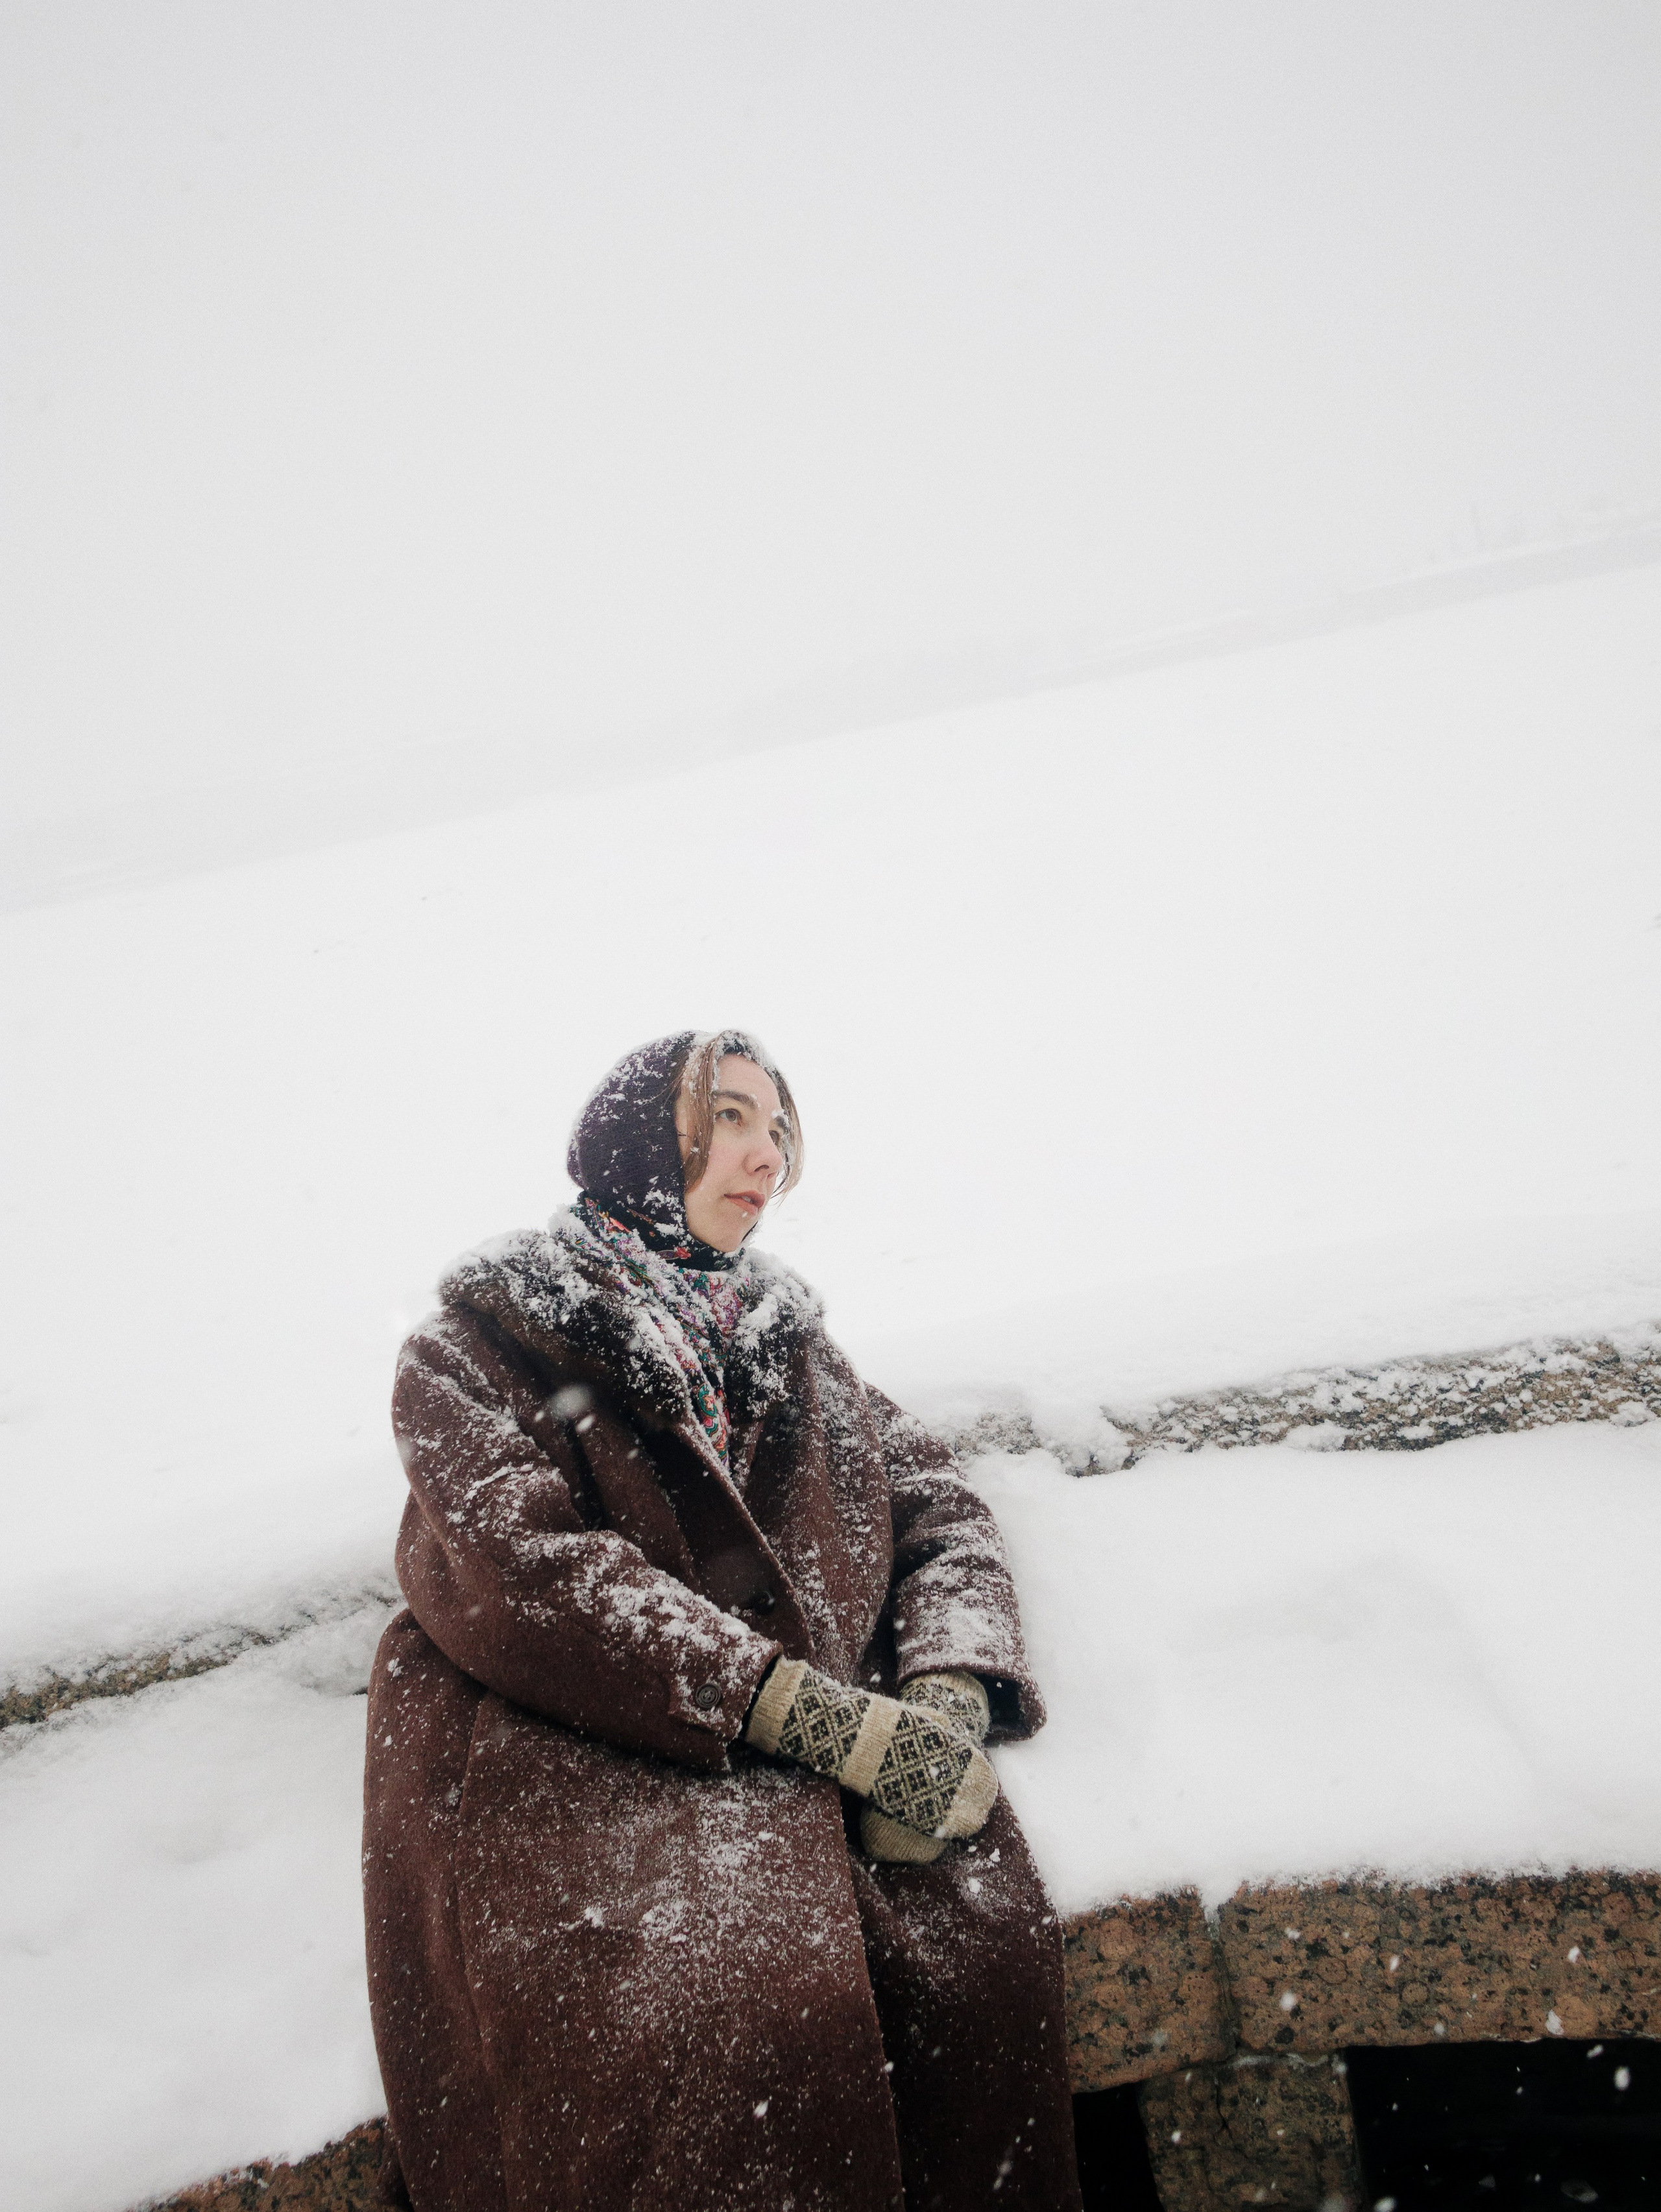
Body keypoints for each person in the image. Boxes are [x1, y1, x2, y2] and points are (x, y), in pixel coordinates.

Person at [363, 1030, 1082, 2211]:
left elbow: (939, 1507)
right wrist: (798, 1711)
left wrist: (944, 1695)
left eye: (780, 1131)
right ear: (648, 1142)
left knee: (979, 1972)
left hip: (805, 1779)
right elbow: (535, 1573)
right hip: (585, 1768)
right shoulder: (476, 1349)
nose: (768, 1156)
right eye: (736, 1118)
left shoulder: (792, 1351)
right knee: (719, 2026)